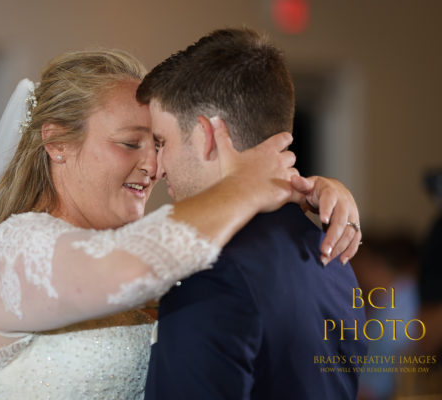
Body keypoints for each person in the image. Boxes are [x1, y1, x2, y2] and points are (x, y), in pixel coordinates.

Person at [0, 48, 361, 399]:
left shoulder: (159, 254)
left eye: (158, 144)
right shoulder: (7, 251)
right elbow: (129, 267)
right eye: (130, 143)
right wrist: (247, 186)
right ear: (56, 142)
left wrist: (307, 190)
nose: (154, 167)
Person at [137, 28, 367, 399]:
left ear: (206, 135)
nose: (157, 167)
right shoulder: (334, 258)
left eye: (162, 142)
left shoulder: (209, 271)